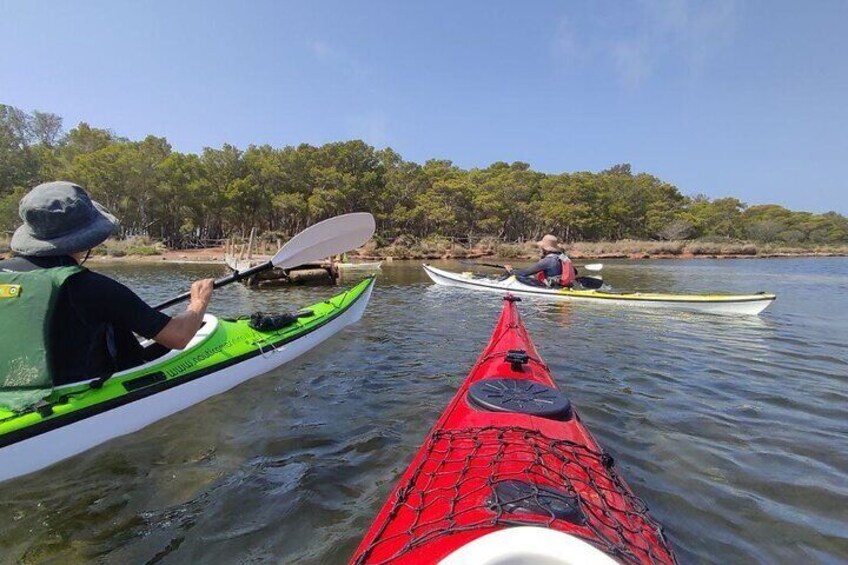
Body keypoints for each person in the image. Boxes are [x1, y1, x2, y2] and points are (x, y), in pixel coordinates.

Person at [0, 181, 215, 391]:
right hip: (77, 396)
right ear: (85, 239)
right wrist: (198, 302)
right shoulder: (92, 288)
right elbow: (179, 336)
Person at [504, 234, 577, 288]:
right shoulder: (563, 257)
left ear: (545, 249)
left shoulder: (548, 260)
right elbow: (575, 272)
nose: (540, 249)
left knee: (517, 277)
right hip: (565, 286)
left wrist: (511, 270)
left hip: (553, 288)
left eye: (542, 248)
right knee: (532, 277)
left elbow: (524, 273)